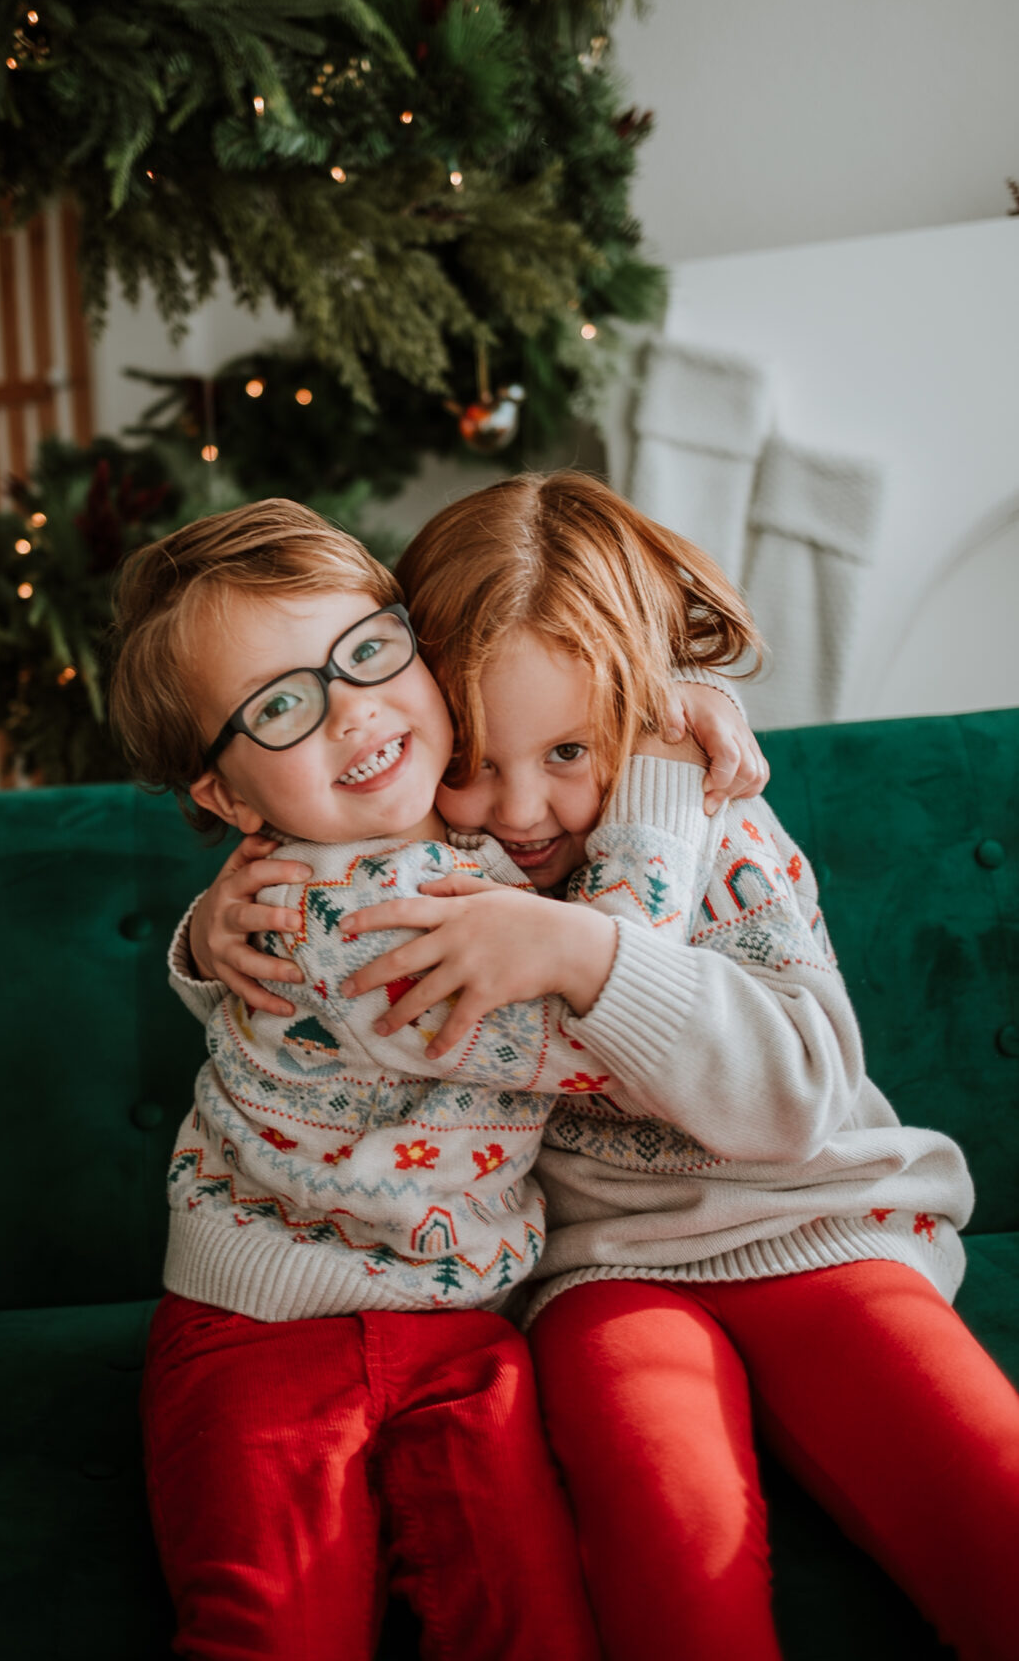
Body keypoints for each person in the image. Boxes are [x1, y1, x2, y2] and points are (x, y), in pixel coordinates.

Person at [332, 471, 1018, 1661]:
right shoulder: (425, 864)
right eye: (475, 761)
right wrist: (217, 923)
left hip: (822, 1225)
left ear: (642, 713)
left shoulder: (720, 820)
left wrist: (588, 953)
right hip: (606, 1271)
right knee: (674, 1539)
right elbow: (308, 917)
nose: (522, 807)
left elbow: (796, 1100)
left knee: (989, 1499)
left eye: (568, 750)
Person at [108, 500, 603, 1661]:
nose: (356, 708)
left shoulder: (480, 822)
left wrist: (682, 710)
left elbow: (577, 699)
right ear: (227, 799)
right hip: (257, 1327)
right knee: (275, 1627)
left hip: (459, 1325)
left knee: (532, 1618)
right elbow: (614, 1044)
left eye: (370, 650)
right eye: (283, 705)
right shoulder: (341, 913)